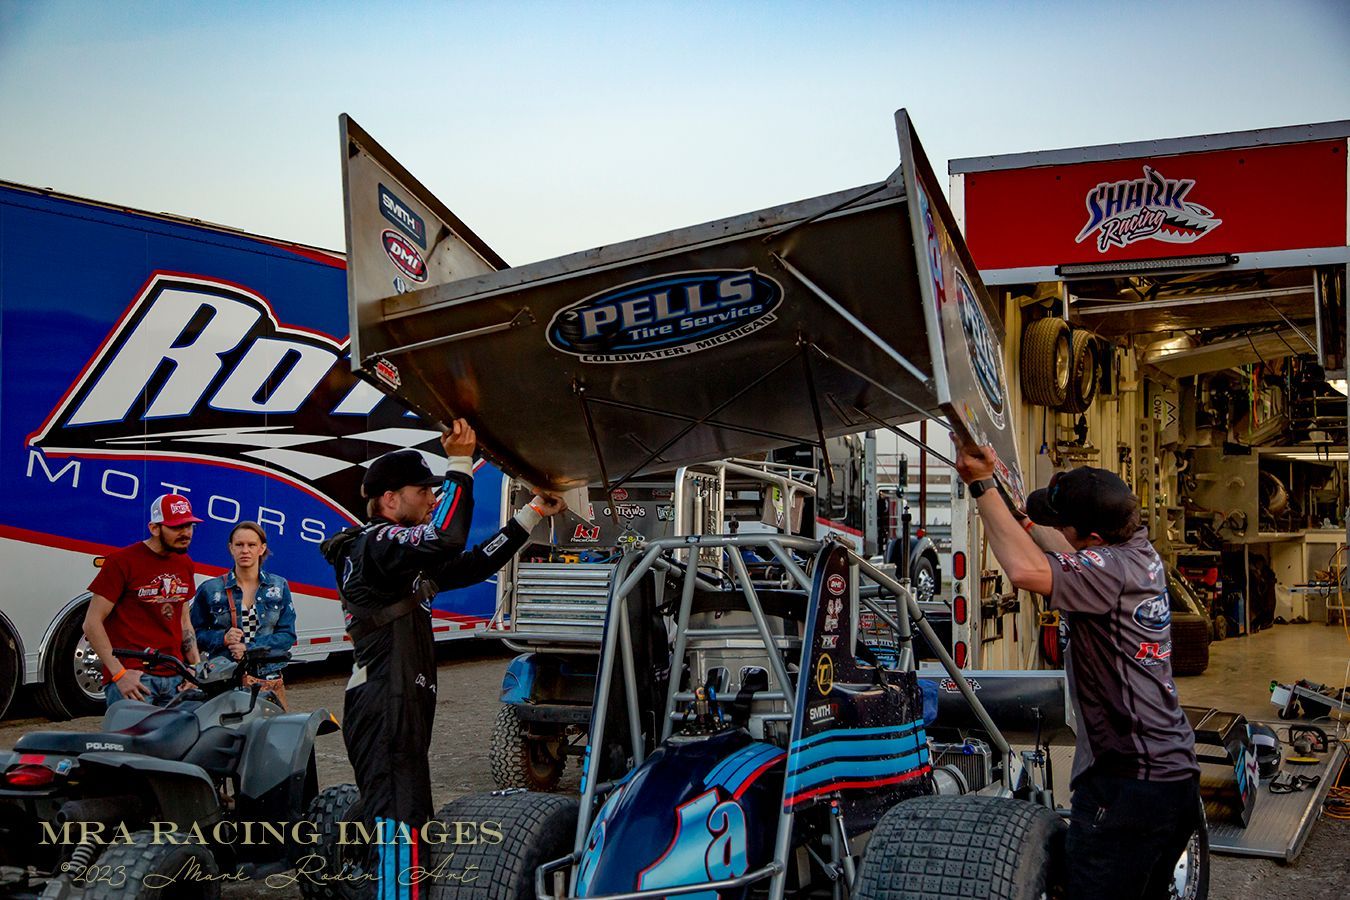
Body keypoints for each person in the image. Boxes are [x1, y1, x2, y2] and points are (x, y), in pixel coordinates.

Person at [320, 419, 565, 892]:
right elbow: (447, 537)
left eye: (436, 490)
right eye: (423, 490)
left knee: (408, 819)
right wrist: (459, 462)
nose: (433, 498)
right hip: (383, 702)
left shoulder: (398, 560)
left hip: (398, 703)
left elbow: (474, 561)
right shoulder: (376, 542)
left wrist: (532, 511)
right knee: (400, 826)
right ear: (390, 499)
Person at [952, 442, 1200, 900]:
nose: (1053, 527)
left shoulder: (1107, 573)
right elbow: (1066, 552)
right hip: (1171, 781)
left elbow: (1026, 571)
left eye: (1059, 522)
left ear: (1095, 540)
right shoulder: (1138, 554)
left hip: (1128, 787)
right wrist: (1025, 521)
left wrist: (981, 486)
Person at [84, 494, 203, 707]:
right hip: (136, 679)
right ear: (154, 528)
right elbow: (92, 623)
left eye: (190, 525)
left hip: (176, 677)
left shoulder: (185, 564)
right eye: (177, 527)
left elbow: (184, 622)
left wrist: (195, 669)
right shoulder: (121, 562)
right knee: (132, 740)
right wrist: (118, 674)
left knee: (180, 740)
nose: (186, 533)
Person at [191, 521, 297, 709]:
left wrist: (248, 648)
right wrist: (222, 638)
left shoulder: (279, 586)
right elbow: (192, 635)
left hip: (267, 681)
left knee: (270, 735)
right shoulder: (210, 589)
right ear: (230, 548)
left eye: (252, 545)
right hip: (224, 680)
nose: (245, 550)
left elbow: (287, 636)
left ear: (262, 548)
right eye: (239, 545)